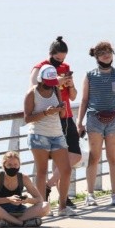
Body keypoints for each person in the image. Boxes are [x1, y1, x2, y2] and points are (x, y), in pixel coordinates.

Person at [76, 41, 115, 207]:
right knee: (94, 157)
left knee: (113, 157)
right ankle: (90, 194)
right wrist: (79, 122)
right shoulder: (90, 75)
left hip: (114, 119)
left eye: (108, 52)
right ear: (96, 56)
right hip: (94, 119)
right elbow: (84, 100)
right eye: (102, 53)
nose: (106, 55)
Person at [30, 36, 81, 207]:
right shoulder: (40, 67)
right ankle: (61, 198)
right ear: (50, 54)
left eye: (63, 59)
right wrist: (56, 81)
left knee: (75, 155)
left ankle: (49, 185)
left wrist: (70, 84)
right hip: (50, 119)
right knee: (56, 161)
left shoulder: (66, 68)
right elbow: (33, 87)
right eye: (57, 58)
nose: (60, 62)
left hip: (66, 116)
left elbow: (73, 96)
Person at [24, 65, 75, 217]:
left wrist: (61, 109)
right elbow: (27, 118)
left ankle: (62, 207)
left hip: (57, 134)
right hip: (38, 135)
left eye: (53, 82)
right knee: (42, 171)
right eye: (48, 82)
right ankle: (43, 207)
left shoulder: (56, 90)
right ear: (41, 79)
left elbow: (62, 115)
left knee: (66, 170)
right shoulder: (32, 93)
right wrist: (46, 113)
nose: (51, 85)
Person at [0, 151, 50, 227]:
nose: (13, 167)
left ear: (19, 165)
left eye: (15, 165)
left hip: (19, 211)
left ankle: (10, 222)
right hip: (0, 211)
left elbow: (39, 199)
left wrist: (27, 200)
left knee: (46, 205)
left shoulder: (24, 178)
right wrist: (8, 199)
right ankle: (20, 222)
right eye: (9, 165)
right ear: (3, 165)